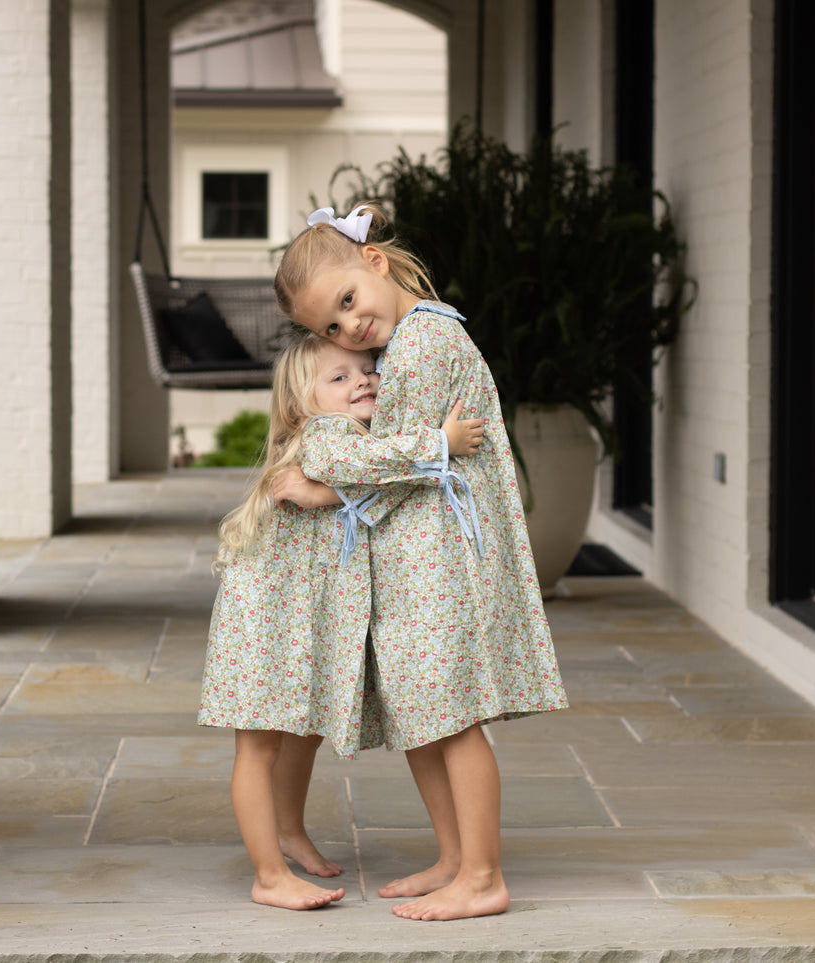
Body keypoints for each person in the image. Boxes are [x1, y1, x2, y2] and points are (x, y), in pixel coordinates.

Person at [271, 203, 568, 921]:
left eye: (347, 303)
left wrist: (318, 490)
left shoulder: (423, 344)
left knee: (455, 718)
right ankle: (454, 856)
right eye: (329, 330)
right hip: (417, 556)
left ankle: (484, 874)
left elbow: (391, 462)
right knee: (426, 716)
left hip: (444, 558)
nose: (348, 330)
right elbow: (398, 461)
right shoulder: (407, 340)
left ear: (373, 263)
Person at [199, 332, 486, 911]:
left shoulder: (342, 436)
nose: (362, 381)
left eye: (367, 369)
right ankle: (268, 875)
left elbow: (363, 487)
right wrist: (441, 442)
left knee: (300, 731)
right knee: (257, 746)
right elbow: (363, 467)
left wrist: (327, 495)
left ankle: (287, 833)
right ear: (298, 404)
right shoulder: (327, 436)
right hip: (269, 620)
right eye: (339, 377)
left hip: (295, 616)